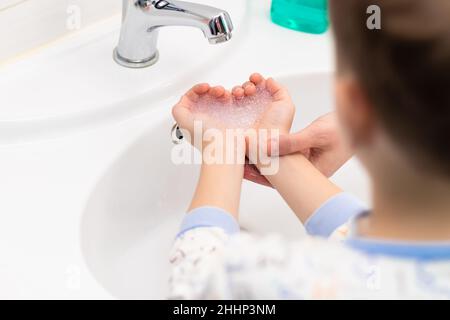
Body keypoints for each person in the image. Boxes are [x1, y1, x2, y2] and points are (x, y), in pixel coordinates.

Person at [169, 0, 450, 299]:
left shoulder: (293, 280)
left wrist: (221, 151)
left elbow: (196, 282)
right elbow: (374, 261)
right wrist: (273, 150)